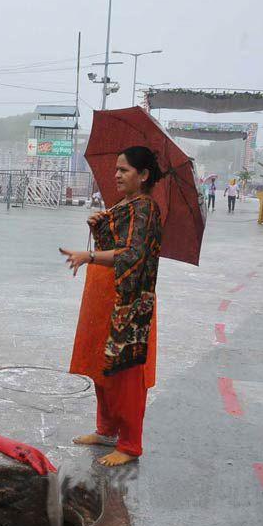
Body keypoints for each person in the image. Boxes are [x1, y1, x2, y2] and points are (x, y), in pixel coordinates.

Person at [59, 145, 163, 467]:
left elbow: (132, 255)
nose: (116, 175)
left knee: (126, 374)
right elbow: (113, 249)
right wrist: (98, 227)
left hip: (129, 303)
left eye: (125, 170)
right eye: (116, 169)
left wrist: (88, 255)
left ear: (143, 175)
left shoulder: (145, 208)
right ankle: (106, 429)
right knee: (101, 367)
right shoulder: (125, 205)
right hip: (105, 298)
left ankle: (130, 444)